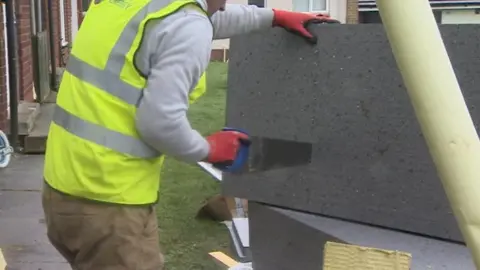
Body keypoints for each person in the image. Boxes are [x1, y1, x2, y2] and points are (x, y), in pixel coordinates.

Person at [41, 0, 338, 269]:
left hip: (62, 194)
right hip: (111, 209)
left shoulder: (140, 7)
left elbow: (207, 19)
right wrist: (209, 149)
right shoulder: (185, 23)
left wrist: (274, 16)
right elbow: (160, 124)